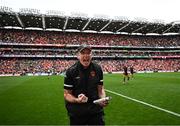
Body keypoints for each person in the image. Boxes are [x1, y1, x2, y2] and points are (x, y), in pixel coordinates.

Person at [64, 45, 108, 125]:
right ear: (78, 56)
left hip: (95, 111)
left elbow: (100, 89)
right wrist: (77, 100)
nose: (86, 55)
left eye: (88, 53)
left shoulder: (97, 69)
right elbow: (67, 94)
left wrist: (103, 99)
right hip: (77, 112)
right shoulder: (71, 71)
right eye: (83, 53)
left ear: (92, 55)